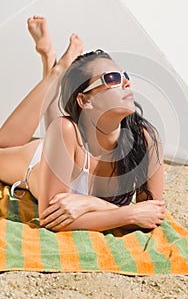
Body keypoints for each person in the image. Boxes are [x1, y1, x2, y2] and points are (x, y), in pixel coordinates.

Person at [1, 16, 165, 232]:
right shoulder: (65, 130)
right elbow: (50, 219)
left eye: (124, 76)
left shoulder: (145, 138)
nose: (126, 82)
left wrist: (89, 203)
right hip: (40, 161)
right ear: (85, 100)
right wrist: (126, 213)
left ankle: (53, 63)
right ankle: (57, 69)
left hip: (70, 147)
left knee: (57, 130)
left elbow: (151, 215)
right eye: (112, 78)